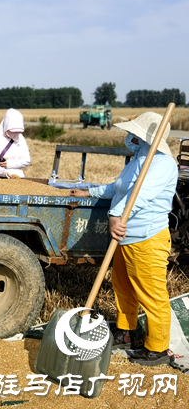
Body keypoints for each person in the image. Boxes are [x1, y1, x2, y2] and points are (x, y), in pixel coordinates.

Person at [70, 112, 177, 366]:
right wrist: (89, 191)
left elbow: (141, 195)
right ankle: (127, 331)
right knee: (123, 287)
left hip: (147, 238)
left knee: (151, 294)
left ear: (147, 137)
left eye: (136, 133)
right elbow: (119, 187)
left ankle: (157, 349)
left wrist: (115, 215)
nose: (130, 137)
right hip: (126, 238)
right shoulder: (140, 157)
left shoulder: (161, 163)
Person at [0, 108, 31, 178]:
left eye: (18, 131)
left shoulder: (20, 137)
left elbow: (27, 160)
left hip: (19, 178)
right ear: (6, 125)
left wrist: (10, 164)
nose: (15, 134)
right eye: (12, 131)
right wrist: (3, 172)